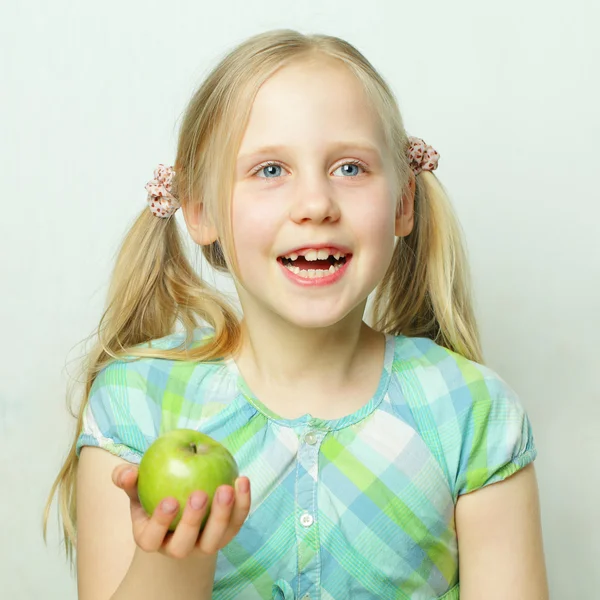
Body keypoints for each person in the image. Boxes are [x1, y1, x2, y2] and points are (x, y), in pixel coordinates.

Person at [44, 29, 549, 600]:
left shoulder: (471, 414)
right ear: (201, 211)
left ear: (403, 203)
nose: (316, 205)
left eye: (350, 168)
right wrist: (175, 557)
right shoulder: (136, 405)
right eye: (269, 170)